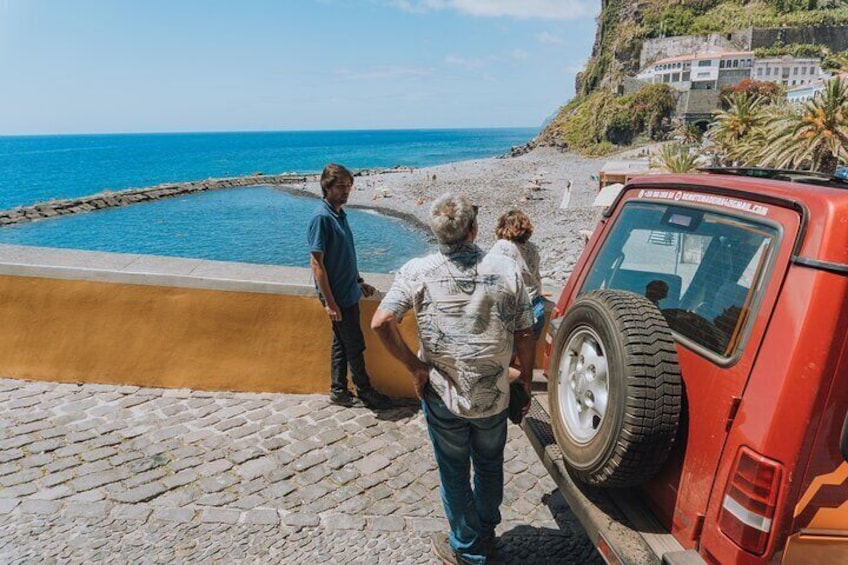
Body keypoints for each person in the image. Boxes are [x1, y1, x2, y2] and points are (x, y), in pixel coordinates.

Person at [371, 193, 535, 565]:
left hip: (444, 395)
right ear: (474, 230)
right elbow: (526, 332)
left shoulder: (417, 271)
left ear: (437, 232)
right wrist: (523, 379)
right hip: (494, 395)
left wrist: (415, 368)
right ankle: (487, 533)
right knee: (491, 465)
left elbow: (381, 321)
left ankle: (466, 548)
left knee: (454, 473)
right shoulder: (507, 270)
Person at [307, 163, 392, 410]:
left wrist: (359, 281)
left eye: (348, 186)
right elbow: (317, 264)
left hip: (348, 291)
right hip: (338, 297)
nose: (346, 191)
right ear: (327, 186)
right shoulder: (322, 217)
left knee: (341, 344)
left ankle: (339, 391)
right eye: (341, 186)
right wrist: (330, 304)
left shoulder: (339, 214)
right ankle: (365, 392)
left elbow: (345, 256)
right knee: (354, 345)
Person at [488, 209, 545, 341]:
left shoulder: (502, 247)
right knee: (526, 354)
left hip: (514, 309)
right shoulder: (532, 248)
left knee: (506, 355)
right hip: (536, 306)